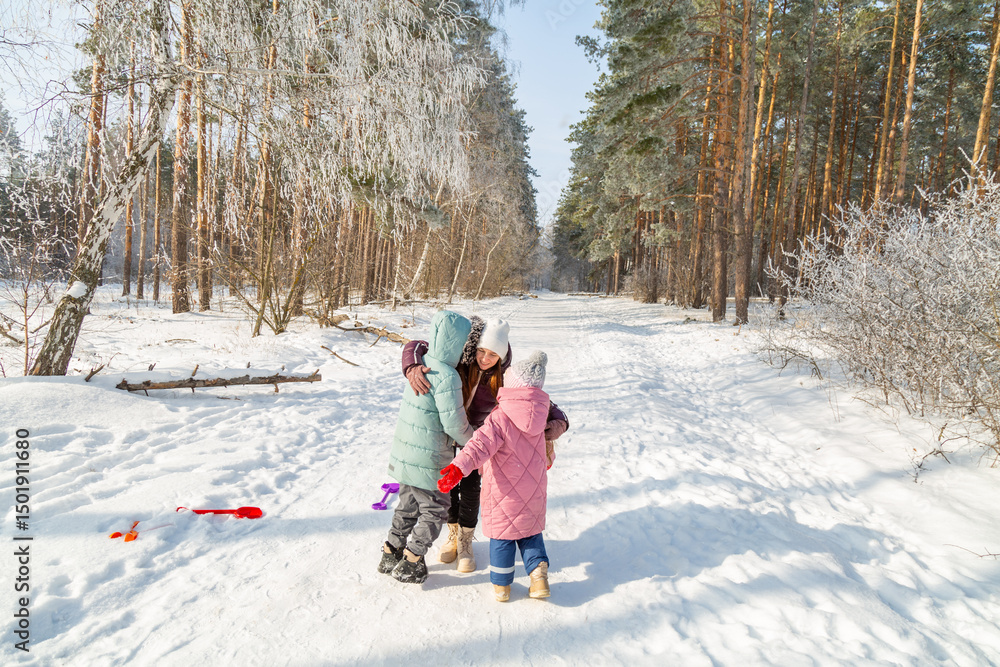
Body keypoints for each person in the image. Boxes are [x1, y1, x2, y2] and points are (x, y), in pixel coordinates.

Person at [401, 317, 568, 573]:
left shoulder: (505, 377)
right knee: (448, 489)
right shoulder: (460, 361)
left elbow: (542, 405)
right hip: (446, 434)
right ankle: (453, 535)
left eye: (492, 354)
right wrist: (411, 365)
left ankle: (466, 540)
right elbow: (420, 344)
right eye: (481, 351)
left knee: (470, 489)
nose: (485, 359)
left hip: (481, 439)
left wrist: (556, 425)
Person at [438, 350, 554, 602]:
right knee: (530, 533)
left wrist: (458, 467)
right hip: (534, 491)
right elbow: (547, 447)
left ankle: (502, 586)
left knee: (502, 536)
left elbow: (479, 446)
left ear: (511, 386)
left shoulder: (499, 417)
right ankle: (539, 576)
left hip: (503, 492)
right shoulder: (542, 414)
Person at [378, 309, 475, 584]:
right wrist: (474, 443)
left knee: (407, 504)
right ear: (458, 343)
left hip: (407, 455)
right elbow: (454, 425)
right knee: (435, 510)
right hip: (430, 459)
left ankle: (391, 552)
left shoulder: (422, 365)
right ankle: (412, 559)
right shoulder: (447, 375)